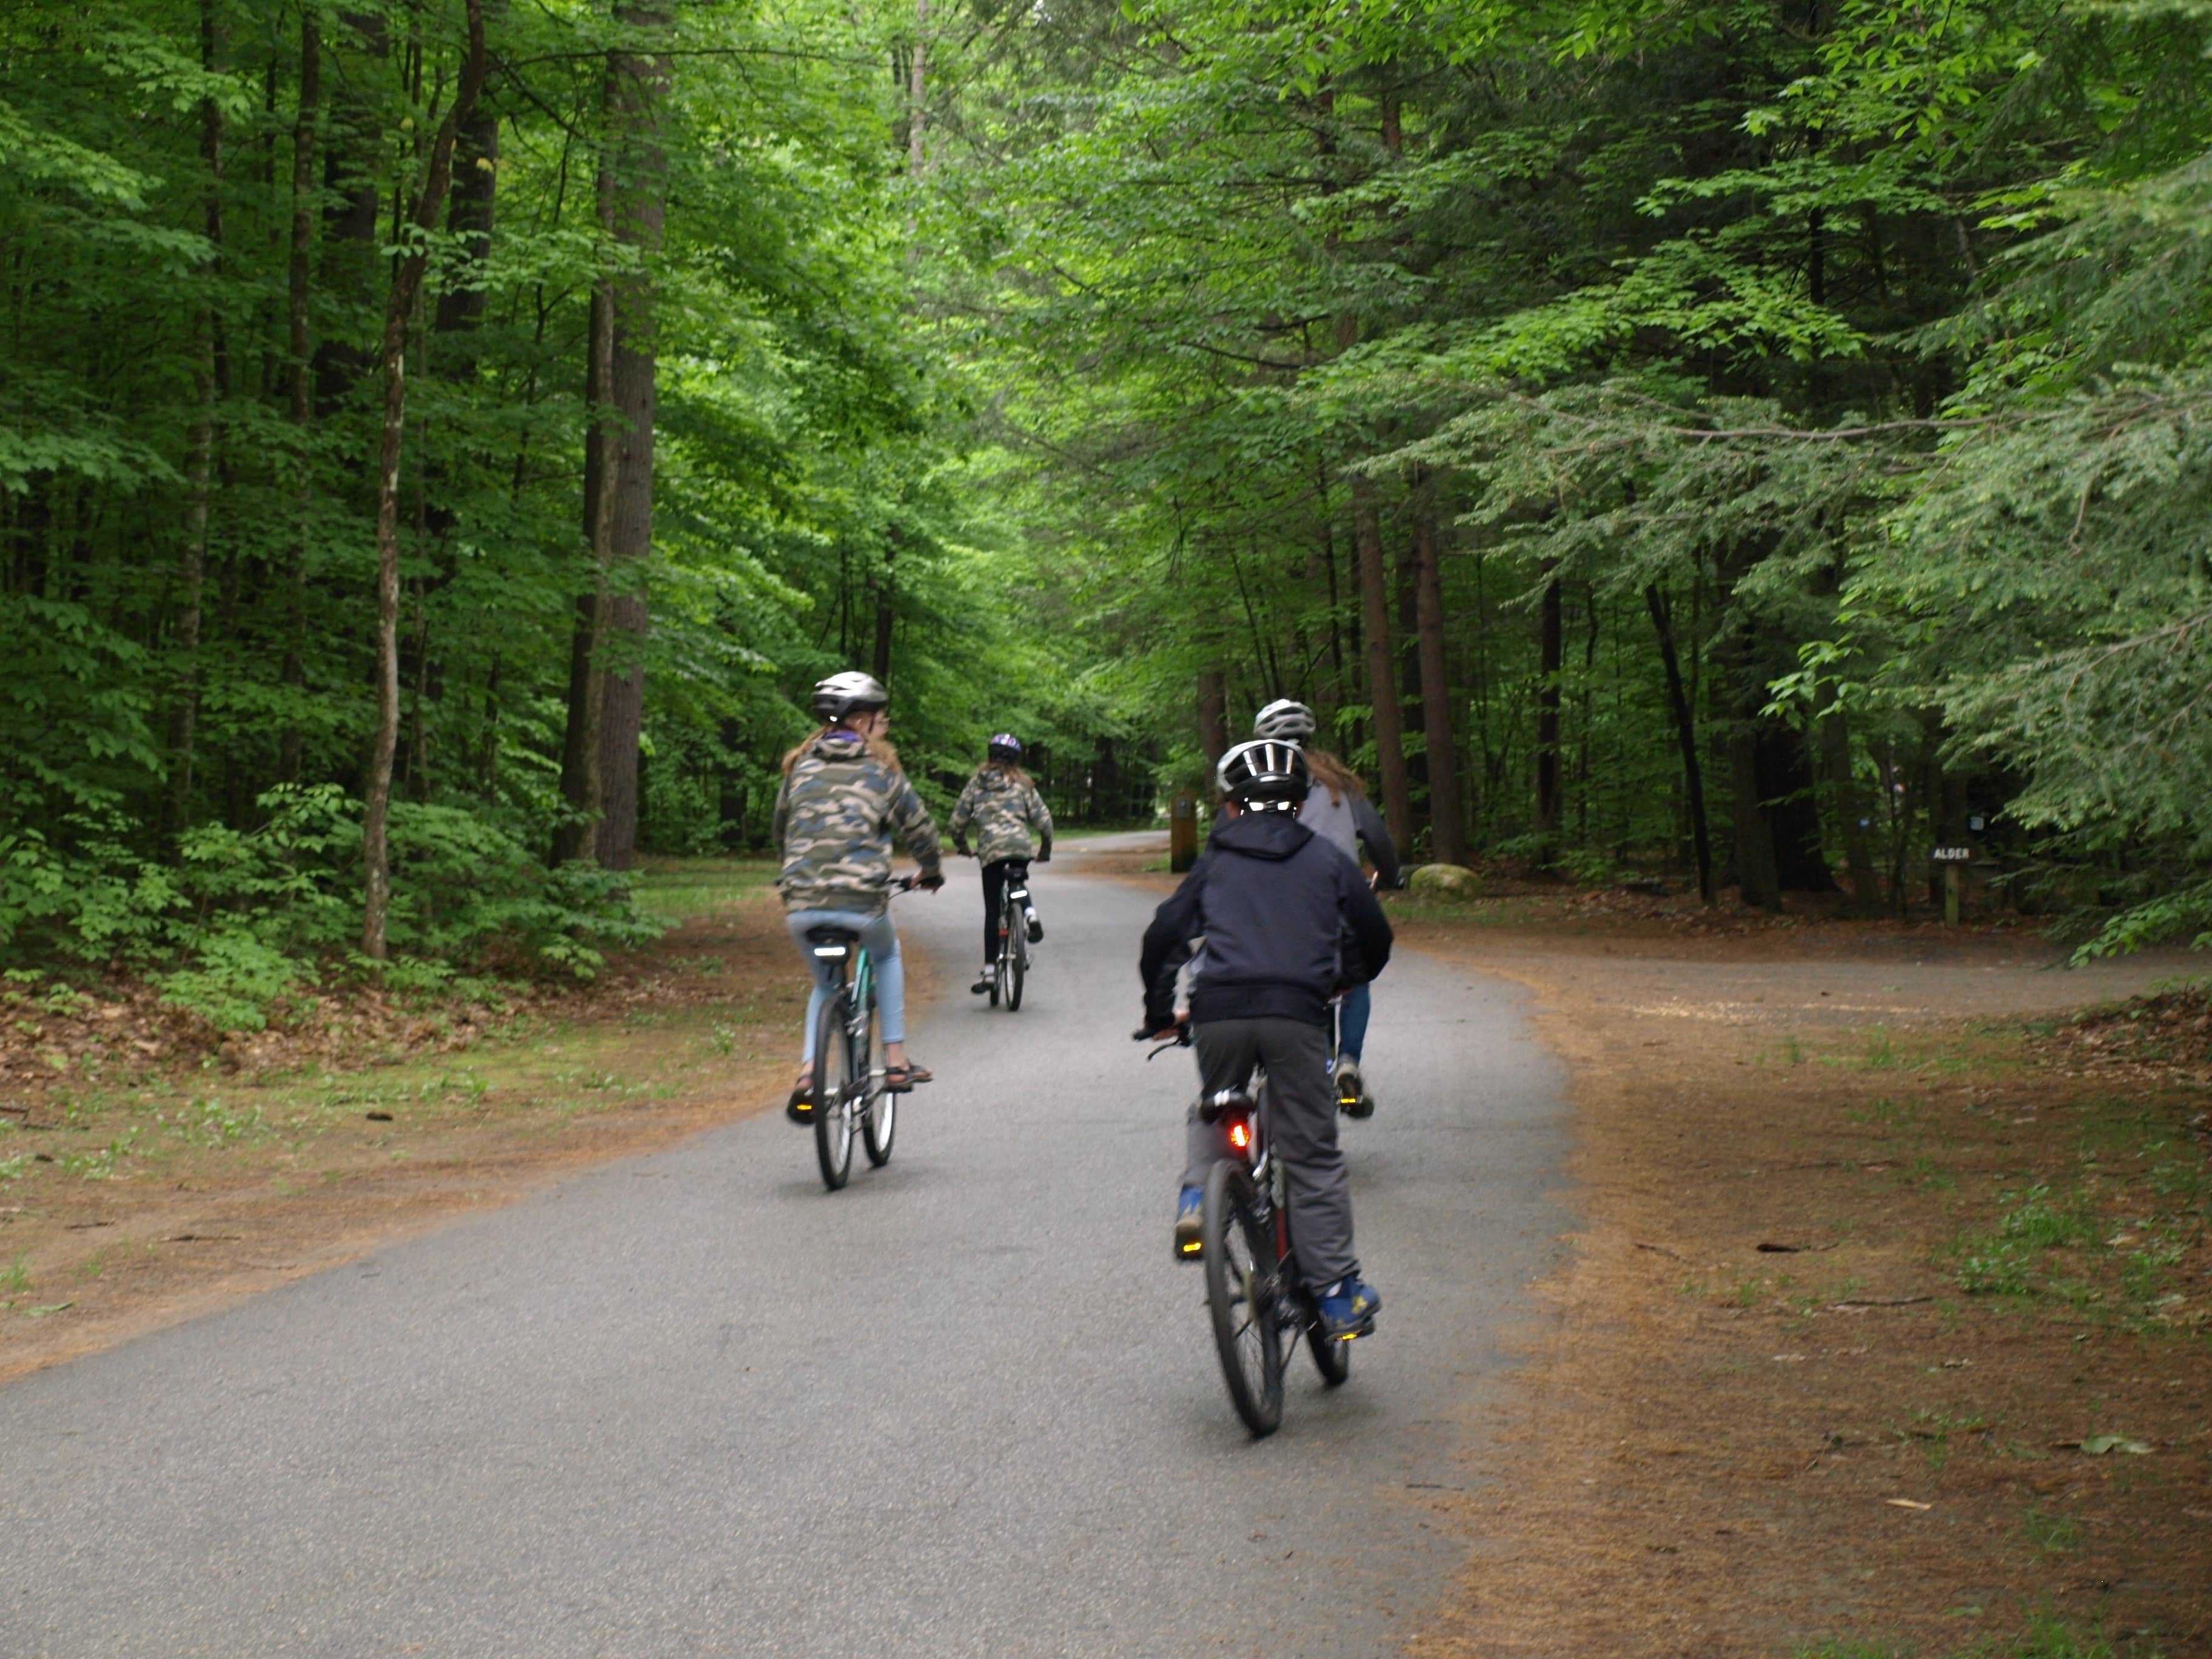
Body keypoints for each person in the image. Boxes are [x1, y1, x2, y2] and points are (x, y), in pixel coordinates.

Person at [1138, 739, 1395, 1339]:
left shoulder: (1214, 865)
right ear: (1300, 803)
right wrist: (1343, 980)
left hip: (1219, 1013)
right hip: (1296, 1016)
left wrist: (1159, 1011)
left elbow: (1164, 935)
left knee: (1220, 1100)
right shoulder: (1327, 862)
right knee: (1311, 1155)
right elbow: (1372, 936)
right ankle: (1334, 1293)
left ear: (1229, 807)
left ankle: (1200, 1199)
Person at [773, 671, 944, 1121]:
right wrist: (930, 870)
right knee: (886, 956)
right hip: (862, 903)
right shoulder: (882, 769)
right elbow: (920, 828)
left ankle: (809, 1076)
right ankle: (895, 1062)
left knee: (825, 984)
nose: (884, 727)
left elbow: (781, 829)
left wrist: (792, 872)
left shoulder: (799, 766)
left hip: (801, 902)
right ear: (863, 722)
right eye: (881, 719)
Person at [1250, 698, 1402, 1114]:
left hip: (1281, 908)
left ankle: (1319, 1063)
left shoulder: (1258, 785)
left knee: (1298, 984)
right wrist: (1390, 876)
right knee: (1356, 978)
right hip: (1342, 901)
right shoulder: (1340, 783)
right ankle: (1347, 1063)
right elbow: (1377, 837)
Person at [948, 733, 1054, 995]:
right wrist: (1045, 851)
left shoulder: (977, 784)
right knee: (1017, 883)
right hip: (1019, 848)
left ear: (990, 756)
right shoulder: (1023, 784)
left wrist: (964, 848)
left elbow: (956, 823)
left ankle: (990, 971)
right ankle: (1030, 914)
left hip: (991, 852)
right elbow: (1045, 821)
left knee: (993, 910)